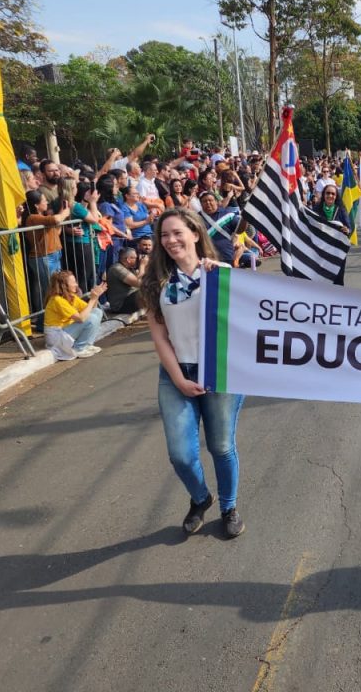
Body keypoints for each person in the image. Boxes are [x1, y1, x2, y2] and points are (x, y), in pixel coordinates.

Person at [139, 208, 245, 538]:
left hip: (221, 371)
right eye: (164, 235)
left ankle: (229, 507)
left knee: (221, 447)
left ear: (196, 234)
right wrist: (179, 379)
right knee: (181, 454)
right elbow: (160, 337)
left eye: (177, 233)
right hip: (176, 373)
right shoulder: (157, 282)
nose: (170, 240)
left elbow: (251, 316)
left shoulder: (220, 274)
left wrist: (226, 275)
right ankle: (201, 498)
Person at [22, 190, 71, 331]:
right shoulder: (32, 218)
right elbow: (56, 220)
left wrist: (61, 215)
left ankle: (46, 321)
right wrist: (64, 214)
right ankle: (43, 323)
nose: (46, 203)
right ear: (37, 205)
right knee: (50, 291)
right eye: (44, 201)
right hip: (43, 258)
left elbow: (57, 231)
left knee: (54, 289)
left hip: (54, 255)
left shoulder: (43, 218)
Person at [44, 270, 106, 360]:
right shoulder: (57, 300)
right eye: (73, 282)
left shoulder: (71, 296)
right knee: (91, 318)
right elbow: (81, 318)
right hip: (56, 335)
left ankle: (87, 345)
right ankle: (79, 348)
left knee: (97, 312)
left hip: (66, 330)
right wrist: (92, 299)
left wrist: (96, 296)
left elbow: (91, 309)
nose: (76, 285)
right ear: (64, 285)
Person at [198, 191, 242, 265]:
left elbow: (240, 230)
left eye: (210, 200)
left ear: (216, 202)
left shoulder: (228, 215)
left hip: (226, 257)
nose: (208, 203)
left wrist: (245, 220)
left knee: (225, 277)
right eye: (204, 201)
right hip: (207, 260)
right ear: (201, 204)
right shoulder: (196, 218)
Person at [105, 246, 147, 314]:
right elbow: (139, 284)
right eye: (135, 258)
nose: (137, 260)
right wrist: (142, 266)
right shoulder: (117, 269)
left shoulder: (130, 268)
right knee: (148, 290)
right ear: (128, 259)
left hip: (129, 299)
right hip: (120, 305)